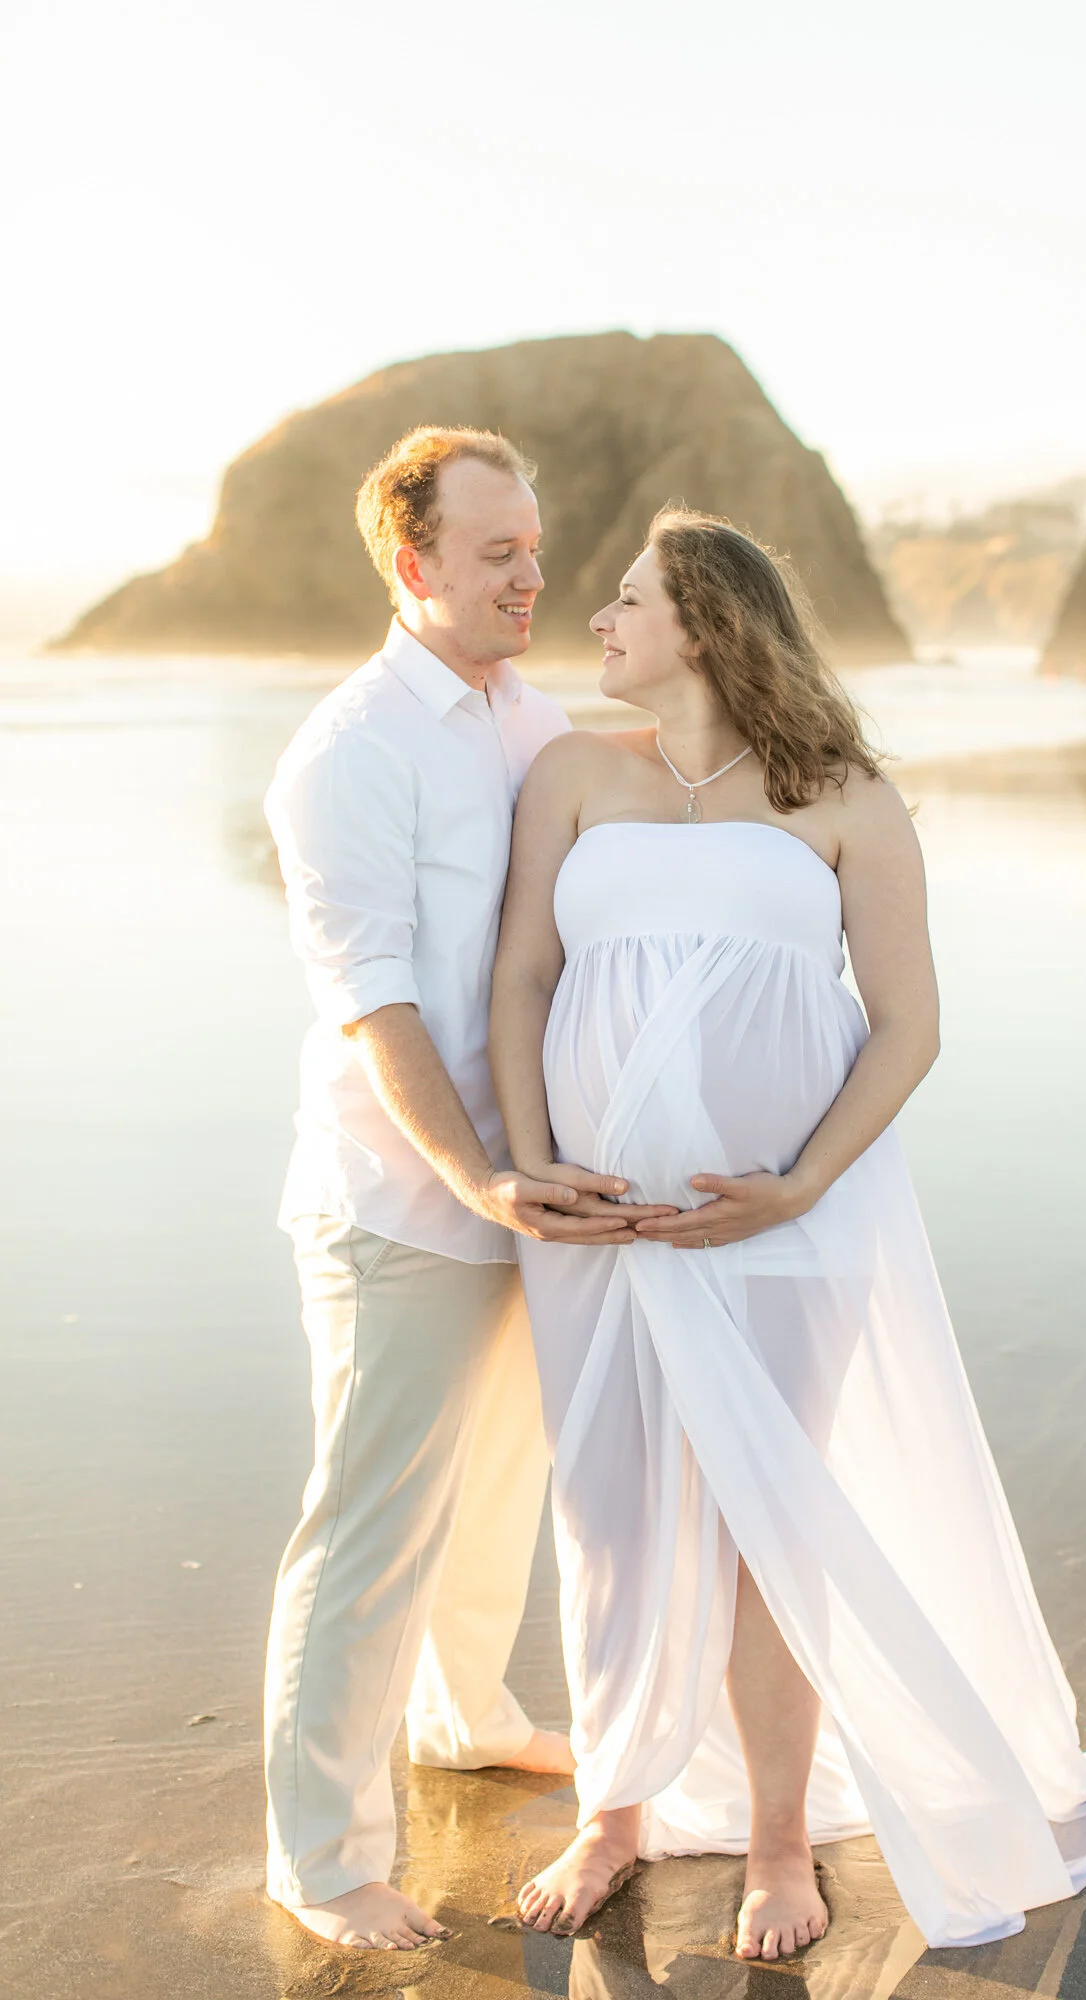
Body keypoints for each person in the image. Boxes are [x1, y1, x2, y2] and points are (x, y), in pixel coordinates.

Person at [488, 510, 1086, 1961]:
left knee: (771, 1525)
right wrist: (533, 1165)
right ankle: (618, 1809)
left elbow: (908, 1026)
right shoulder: (572, 776)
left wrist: (806, 1182)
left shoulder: (840, 795)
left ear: (701, 624)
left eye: (628, 598)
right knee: (616, 1520)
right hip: (597, 1226)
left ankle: (779, 1841)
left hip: (782, 1225)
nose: (598, 618)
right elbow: (521, 978)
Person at [262, 427, 673, 1953]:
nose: (534, 578)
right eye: (498, 554)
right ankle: (318, 1856)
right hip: (404, 1198)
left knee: (501, 1488)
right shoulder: (350, 751)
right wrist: (481, 1175)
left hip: (532, 1190)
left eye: (537, 548)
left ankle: (466, 1716)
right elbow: (375, 1008)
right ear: (413, 563)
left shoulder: (537, 718)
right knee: (370, 1527)